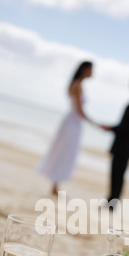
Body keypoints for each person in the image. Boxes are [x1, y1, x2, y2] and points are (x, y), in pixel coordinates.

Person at [37, 61, 97, 195]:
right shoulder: (77, 85)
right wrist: (95, 123)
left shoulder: (76, 84)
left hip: (72, 122)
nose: (92, 73)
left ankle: (55, 185)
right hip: (72, 123)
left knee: (63, 152)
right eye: (91, 70)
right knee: (64, 153)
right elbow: (80, 110)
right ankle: (55, 185)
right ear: (85, 70)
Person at [101, 74, 129, 207]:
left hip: (125, 147)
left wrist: (111, 128)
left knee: (119, 175)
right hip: (121, 145)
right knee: (115, 174)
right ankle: (110, 200)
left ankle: (112, 203)